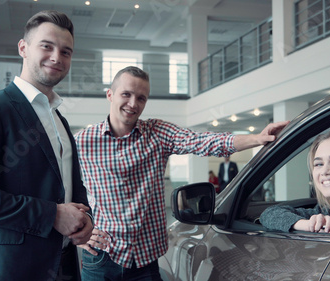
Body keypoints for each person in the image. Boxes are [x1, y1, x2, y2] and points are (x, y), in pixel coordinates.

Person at [74, 66, 289, 280]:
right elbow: (63, 190)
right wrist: (77, 235)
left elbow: (203, 141)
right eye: (126, 94)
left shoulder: (156, 132)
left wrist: (256, 139)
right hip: (102, 258)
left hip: (144, 261)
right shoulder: (83, 141)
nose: (133, 104)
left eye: (141, 98)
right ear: (110, 95)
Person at [0, 10, 93, 281]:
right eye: (47, 46)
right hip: (9, 270)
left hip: (63, 267)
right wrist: (51, 215)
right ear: (23, 48)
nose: (56, 57)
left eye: (66, 52)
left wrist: (85, 219)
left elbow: (66, 187)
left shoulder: (59, 119)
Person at [260, 127, 330, 233]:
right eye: (319, 164)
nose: (325, 171)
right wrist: (308, 224)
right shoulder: (328, 212)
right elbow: (269, 214)